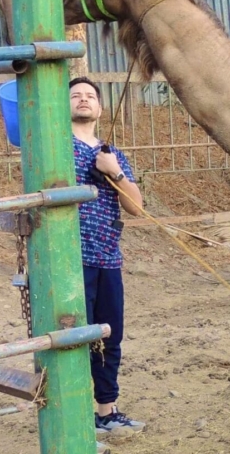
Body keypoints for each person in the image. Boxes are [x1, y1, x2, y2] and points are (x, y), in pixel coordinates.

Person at [69, 77, 147, 434]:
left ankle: (106, 411)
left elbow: (136, 207)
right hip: (68, 259)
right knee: (71, 338)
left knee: (108, 337)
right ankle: (71, 416)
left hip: (107, 257)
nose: (84, 100)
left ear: (100, 108)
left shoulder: (111, 154)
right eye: (75, 96)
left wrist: (112, 171)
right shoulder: (55, 147)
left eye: (90, 96)